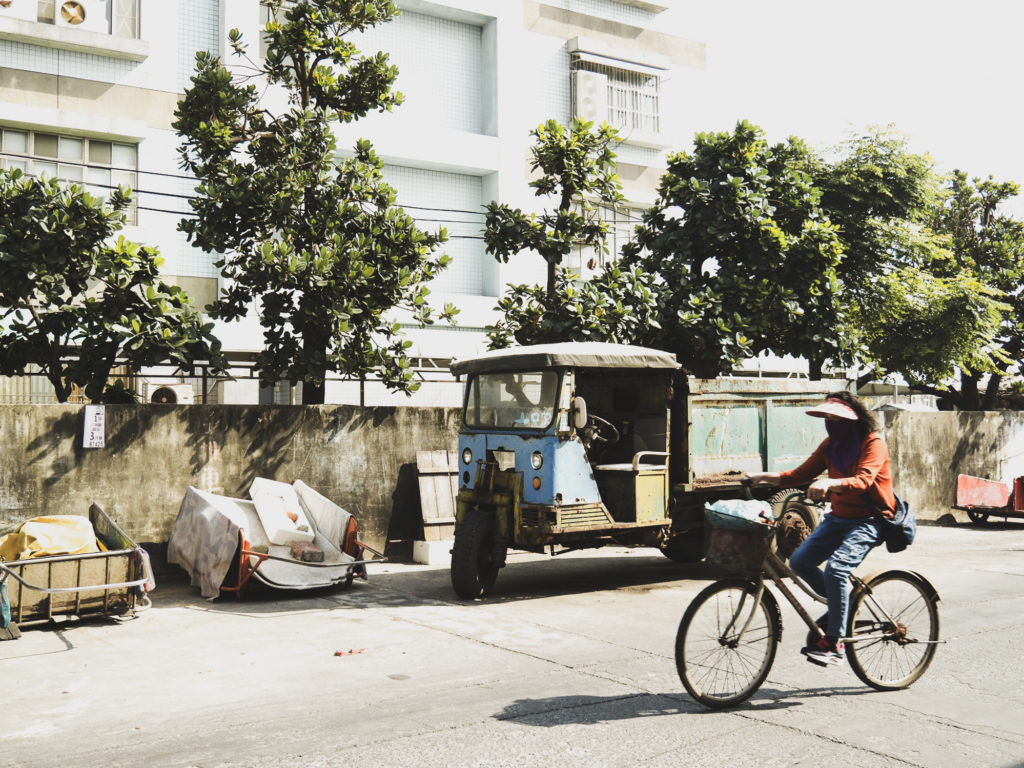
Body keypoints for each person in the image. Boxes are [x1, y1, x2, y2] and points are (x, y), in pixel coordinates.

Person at [746, 391, 894, 667]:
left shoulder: (873, 443)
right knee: (800, 562)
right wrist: (762, 477)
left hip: (871, 519)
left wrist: (829, 484)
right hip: (839, 517)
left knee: (837, 569)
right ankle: (844, 608)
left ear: (852, 419)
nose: (830, 422)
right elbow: (798, 476)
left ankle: (835, 642)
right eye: (827, 417)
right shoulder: (831, 445)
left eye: (835, 417)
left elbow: (863, 481)